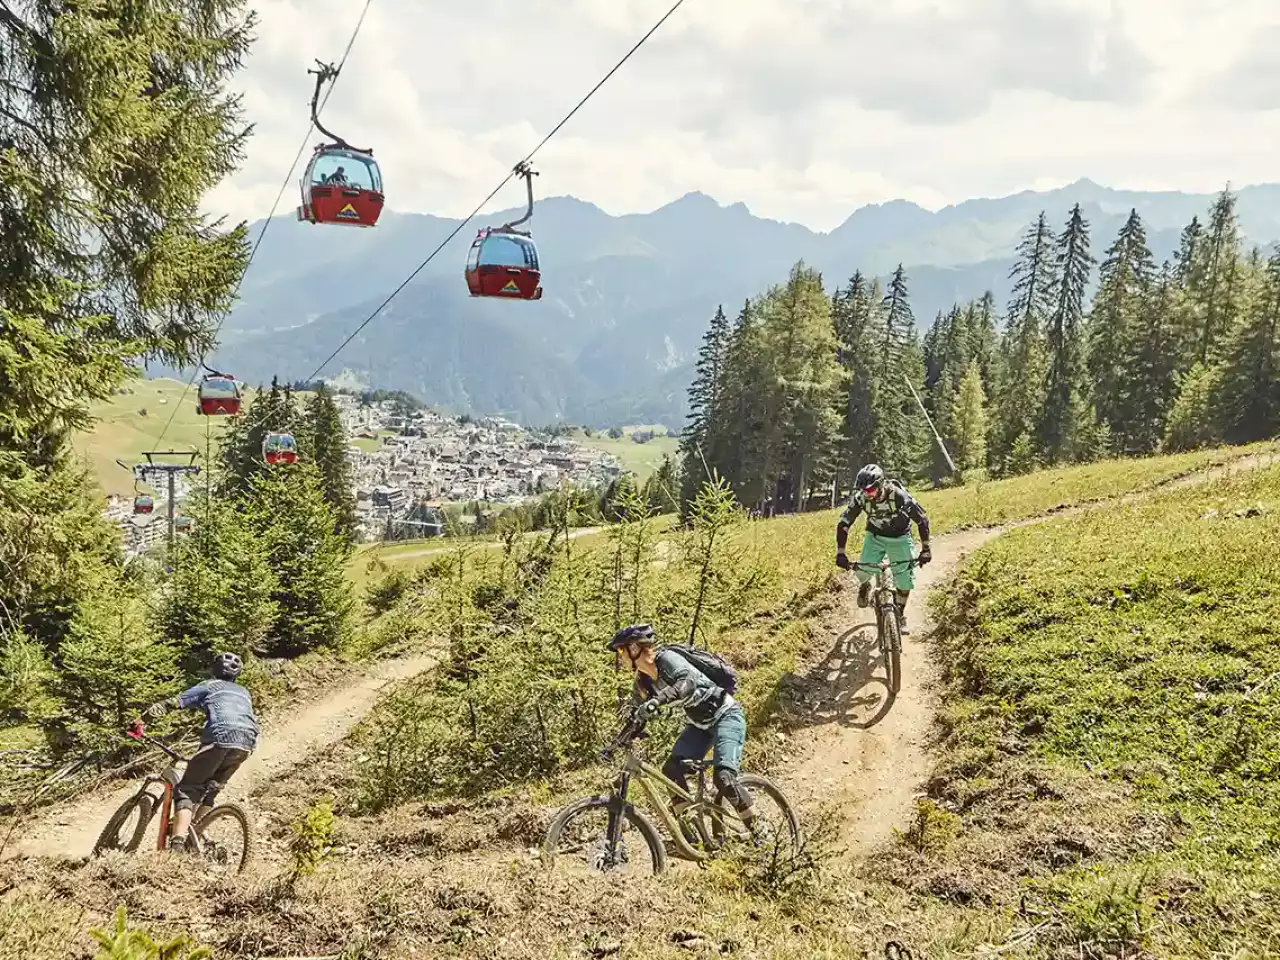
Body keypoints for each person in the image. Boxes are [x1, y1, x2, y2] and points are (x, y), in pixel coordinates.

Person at [607, 623, 762, 836]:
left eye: (622, 650)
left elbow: (686, 682)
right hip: (699, 726)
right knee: (671, 769)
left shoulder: (667, 658)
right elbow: (636, 716)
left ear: (635, 649)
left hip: (727, 715)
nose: (620, 656)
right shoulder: (643, 681)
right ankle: (692, 837)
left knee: (724, 778)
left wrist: (657, 701)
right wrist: (615, 744)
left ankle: (762, 834)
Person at [141, 651, 258, 852]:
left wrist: (142, 720)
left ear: (214, 669)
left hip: (219, 738)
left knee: (188, 790)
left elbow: (173, 703)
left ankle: (177, 846)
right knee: (210, 790)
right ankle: (197, 836)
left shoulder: (209, 685)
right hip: (246, 743)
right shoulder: (243, 692)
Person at [835, 463, 932, 632]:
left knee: (905, 581)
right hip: (875, 537)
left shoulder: (899, 496)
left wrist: (925, 549)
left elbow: (922, 520)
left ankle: (899, 614)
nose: (867, 494)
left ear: (880, 485)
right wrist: (841, 553)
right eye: (864, 491)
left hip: (900, 537)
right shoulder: (861, 498)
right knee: (862, 571)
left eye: (871, 490)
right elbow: (843, 524)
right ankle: (866, 586)